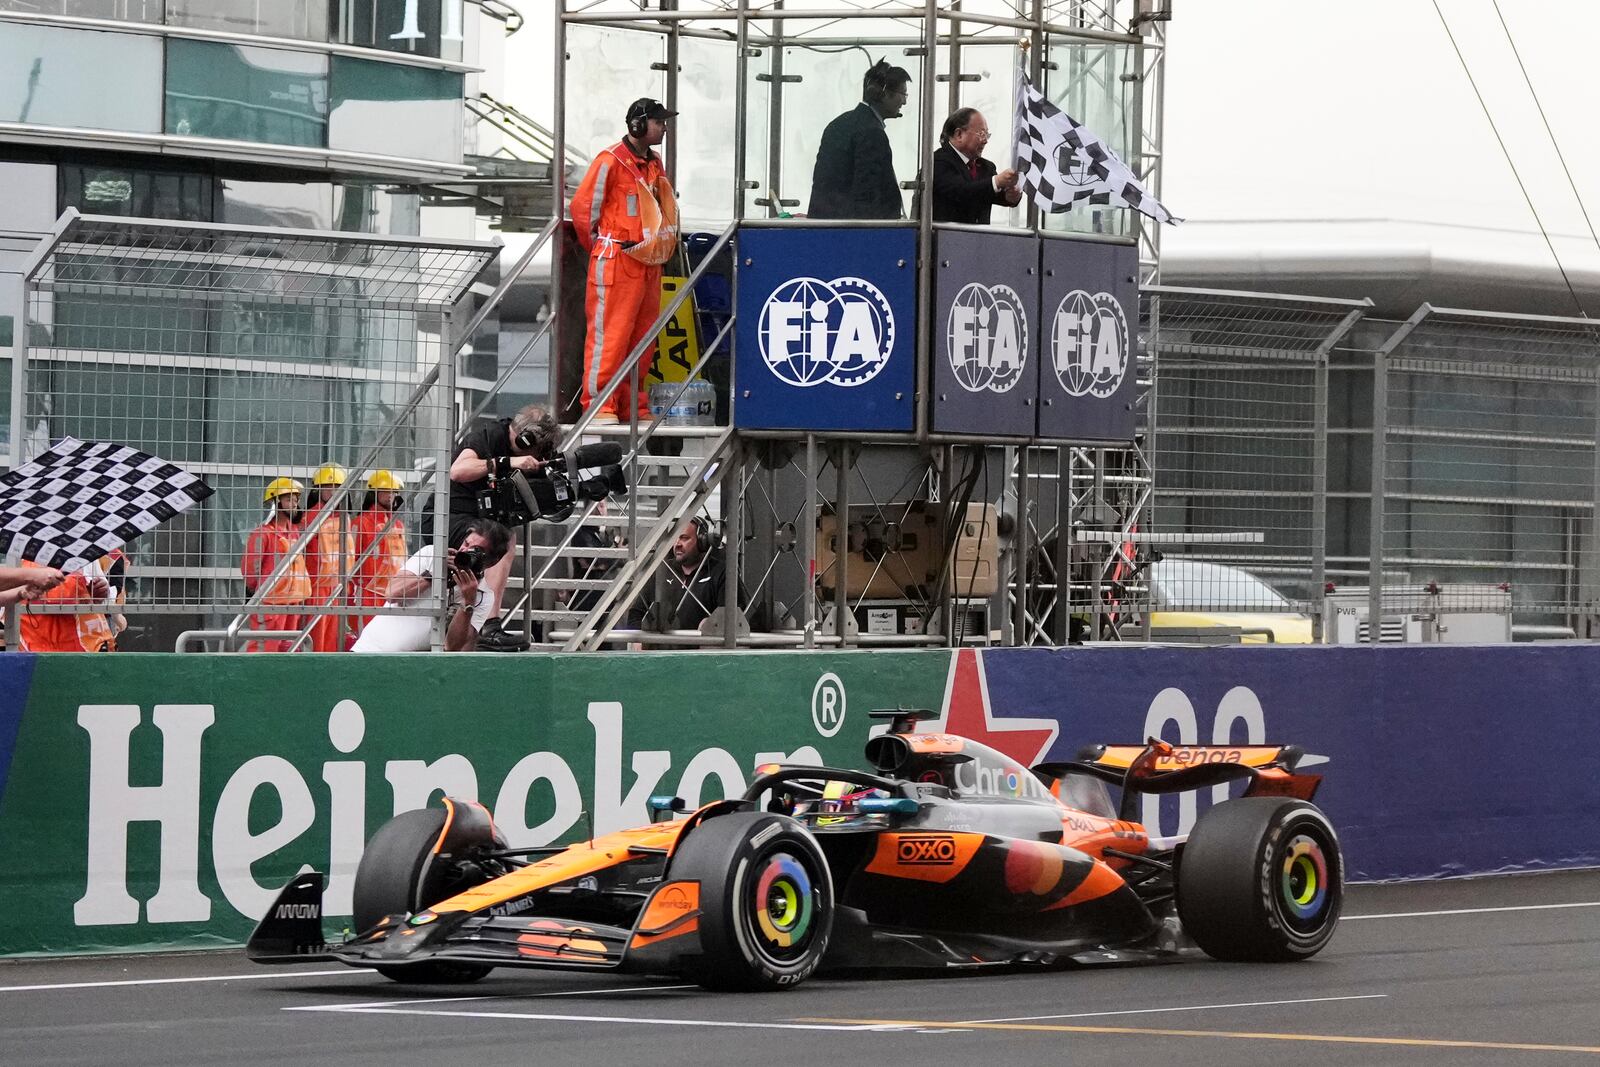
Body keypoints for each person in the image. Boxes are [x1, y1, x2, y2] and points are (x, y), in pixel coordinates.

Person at [568, 97, 680, 425]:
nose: (664, 128)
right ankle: (600, 404)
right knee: (610, 337)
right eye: (659, 122)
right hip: (618, 259)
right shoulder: (609, 161)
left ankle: (632, 405)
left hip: (646, 259)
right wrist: (605, 246)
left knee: (643, 339)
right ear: (638, 125)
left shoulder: (654, 163)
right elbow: (583, 208)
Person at [444, 403, 560, 651]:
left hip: (486, 519)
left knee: (501, 534)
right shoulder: (487, 437)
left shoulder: (536, 454)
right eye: (537, 449)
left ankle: (483, 623)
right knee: (501, 540)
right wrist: (507, 462)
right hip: (452, 516)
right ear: (526, 438)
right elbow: (457, 471)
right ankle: (489, 626)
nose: (538, 455)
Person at [352, 517, 512, 652]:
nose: (464, 551)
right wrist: (433, 576)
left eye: (475, 551)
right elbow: (392, 593)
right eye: (466, 543)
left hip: (410, 668)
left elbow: (452, 646)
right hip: (369, 651)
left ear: (491, 562)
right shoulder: (430, 555)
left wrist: (468, 602)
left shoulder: (482, 595)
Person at [807, 60, 912, 220]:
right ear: (883, 93)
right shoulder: (872, 132)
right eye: (903, 94)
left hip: (826, 225)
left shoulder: (839, 123)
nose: (904, 101)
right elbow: (867, 193)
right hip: (855, 233)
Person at [626, 515, 748, 632]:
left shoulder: (721, 573)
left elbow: (735, 620)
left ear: (702, 541)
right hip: (662, 651)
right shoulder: (661, 571)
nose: (677, 544)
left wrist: (713, 624)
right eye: (675, 538)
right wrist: (639, 640)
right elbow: (636, 614)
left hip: (701, 651)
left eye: (684, 538)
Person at [241, 477, 311, 653]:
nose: (294, 504)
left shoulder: (294, 533)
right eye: (289, 500)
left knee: (288, 649)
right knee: (264, 647)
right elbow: (250, 570)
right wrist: (260, 593)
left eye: (296, 500)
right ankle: (257, 679)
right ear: (275, 502)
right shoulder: (262, 534)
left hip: (292, 601)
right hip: (270, 603)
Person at [931, 107, 1022, 224]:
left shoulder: (986, 167)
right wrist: (997, 181)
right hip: (945, 239)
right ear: (959, 134)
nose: (985, 141)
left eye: (987, 135)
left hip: (980, 240)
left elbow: (991, 193)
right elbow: (962, 192)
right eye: (981, 133)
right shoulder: (938, 162)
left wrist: (1011, 195)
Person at [301, 463, 356, 652]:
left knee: (334, 639)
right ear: (318, 490)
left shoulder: (344, 517)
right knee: (317, 638)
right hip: (318, 587)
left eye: (337, 487)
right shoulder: (310, 517)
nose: (332, 492)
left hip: (339, 586)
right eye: (327, 487)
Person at [351, 469, 409, 635]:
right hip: (368, 593)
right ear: (374, 493)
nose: (391, 495)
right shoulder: (361, 523)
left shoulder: (397, 525)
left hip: (394, 592)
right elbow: (350, 560)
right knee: (366, 637)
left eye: (394, 491)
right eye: (386, 491)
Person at [10, 560, 108, 652]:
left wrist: (99, 592)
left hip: (76, 641)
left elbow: (104, 595)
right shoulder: (17, 556)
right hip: (29, 637)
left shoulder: (86, 555)